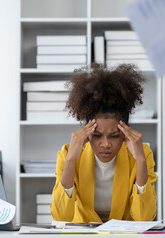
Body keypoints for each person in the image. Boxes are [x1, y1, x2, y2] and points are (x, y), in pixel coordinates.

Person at [50, 63, 157, 223]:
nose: (105, 144)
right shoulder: (67, 154)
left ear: (125, 133)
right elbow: (61, 217)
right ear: (86, 133)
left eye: (114, 136)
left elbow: (145, 217)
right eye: (97, 135)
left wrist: (140, 161)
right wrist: (71, 159)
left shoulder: (141, 154)